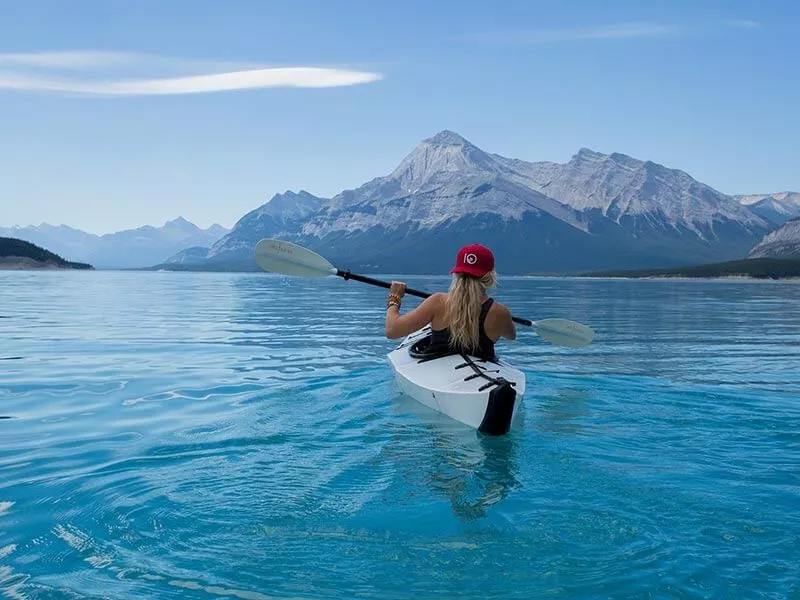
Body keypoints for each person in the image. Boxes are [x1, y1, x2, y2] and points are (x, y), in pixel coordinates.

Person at [384, 243, 516, 361]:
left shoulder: (438, 302)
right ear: (490, 276)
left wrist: (394, 298)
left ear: (456, 273)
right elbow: (511, 336)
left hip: (436, 371)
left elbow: (392, 330)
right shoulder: (500, 312)